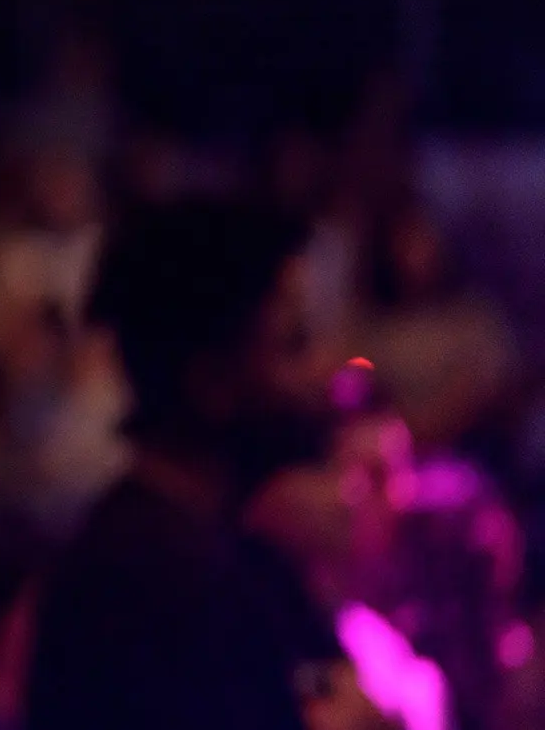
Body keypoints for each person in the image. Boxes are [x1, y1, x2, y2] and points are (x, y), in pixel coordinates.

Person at [26, 200, 390, 730]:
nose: (325, 372)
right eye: (294, 344)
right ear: (211, 382)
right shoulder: (148, 588)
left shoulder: (243, 553)